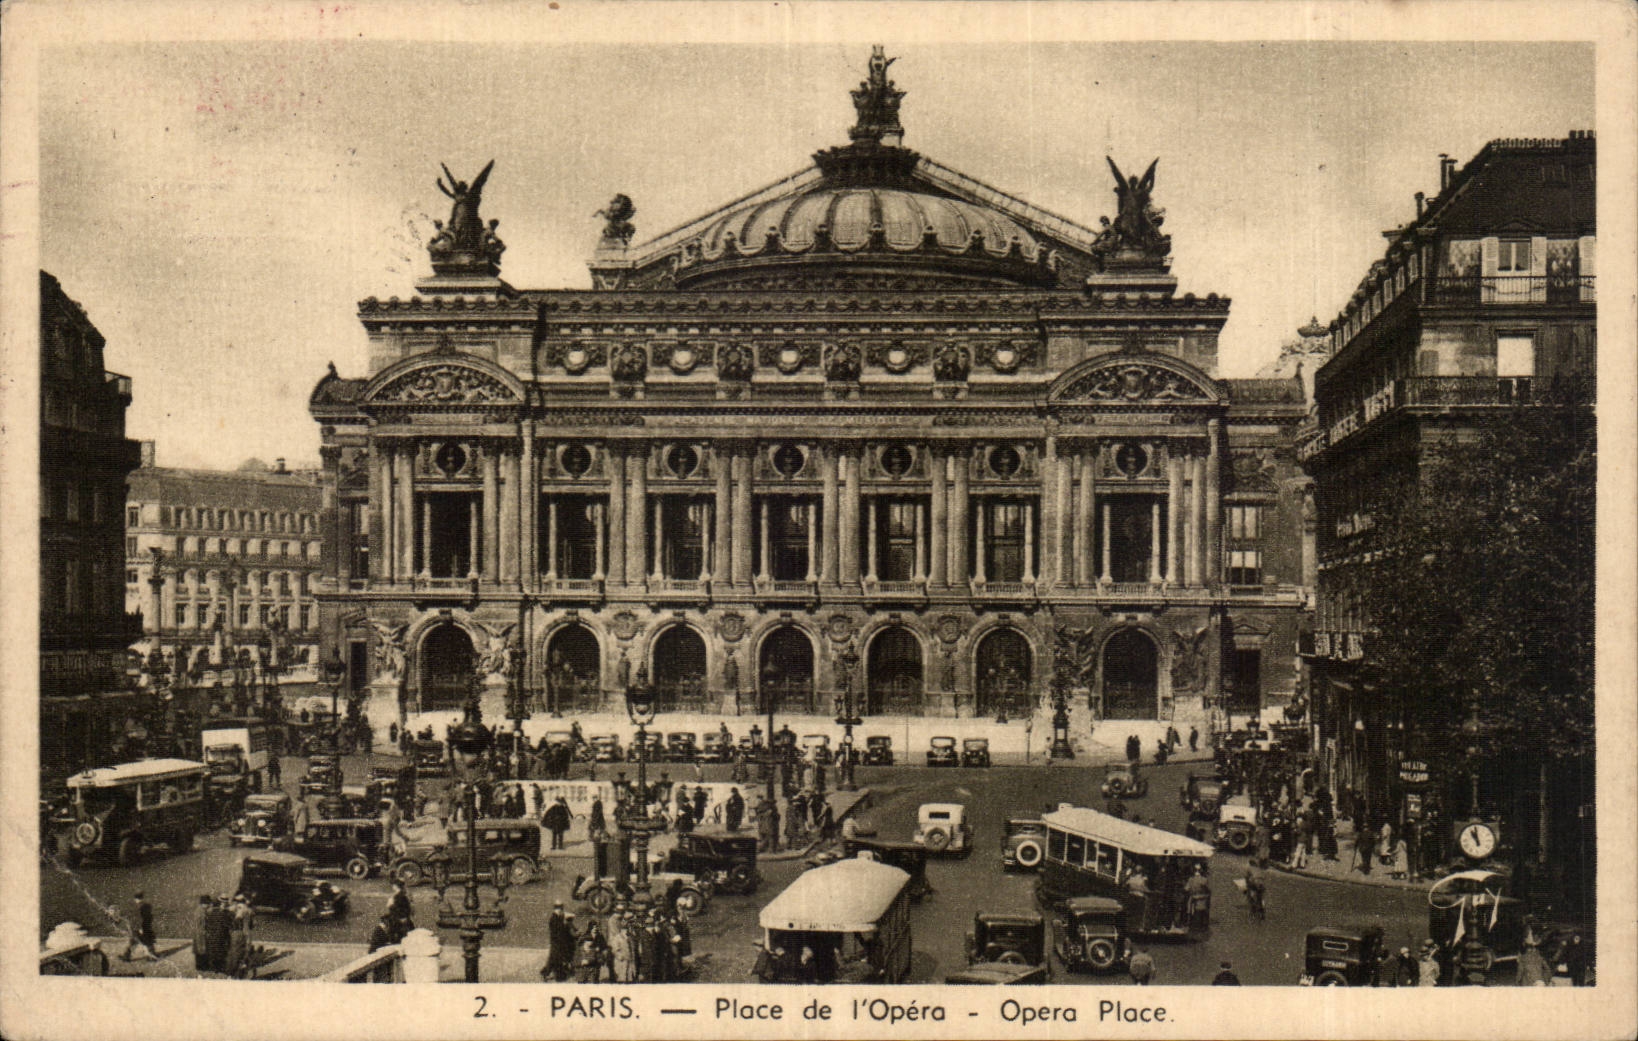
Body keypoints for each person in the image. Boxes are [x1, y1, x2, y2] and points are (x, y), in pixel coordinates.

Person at [545, 901, 575, 982]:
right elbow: (558, 930)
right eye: (558, 908)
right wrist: (564, 924)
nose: (560, 910)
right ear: (555, 909)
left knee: (553, 958)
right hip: (557, 942)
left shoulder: (557, 916)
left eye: (560, 908)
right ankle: (559, 977)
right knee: (557, 959)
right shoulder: (554, 918)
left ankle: (546, 973)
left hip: (557, 942)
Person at [124, 891, 156, 961]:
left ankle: (127, 956)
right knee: (148, 941)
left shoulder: (137, 907)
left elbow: (139, 918)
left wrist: (139, 928)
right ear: (142, 897)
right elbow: (150, 916)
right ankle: (151, 956)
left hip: (138, 927)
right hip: (147, 926)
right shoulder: (148, 905)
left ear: (135, 898)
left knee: (135, 941)